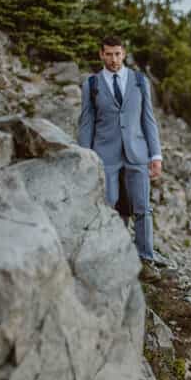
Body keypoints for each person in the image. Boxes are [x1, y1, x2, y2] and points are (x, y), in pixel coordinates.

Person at [77, 35, 163, 283]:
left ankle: (145, 260)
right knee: (111, 205)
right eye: (109, 54)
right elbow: (86, 124)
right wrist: (86, 157)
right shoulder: (91, 84)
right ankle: (114, 255)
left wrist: (155, 154)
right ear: (101, 55)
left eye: (118, 54)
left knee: (142, 208)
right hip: (105, 154)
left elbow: (148, 119)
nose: (114, 59)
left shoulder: (139, 81)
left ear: (124, 53)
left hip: (138, 153)